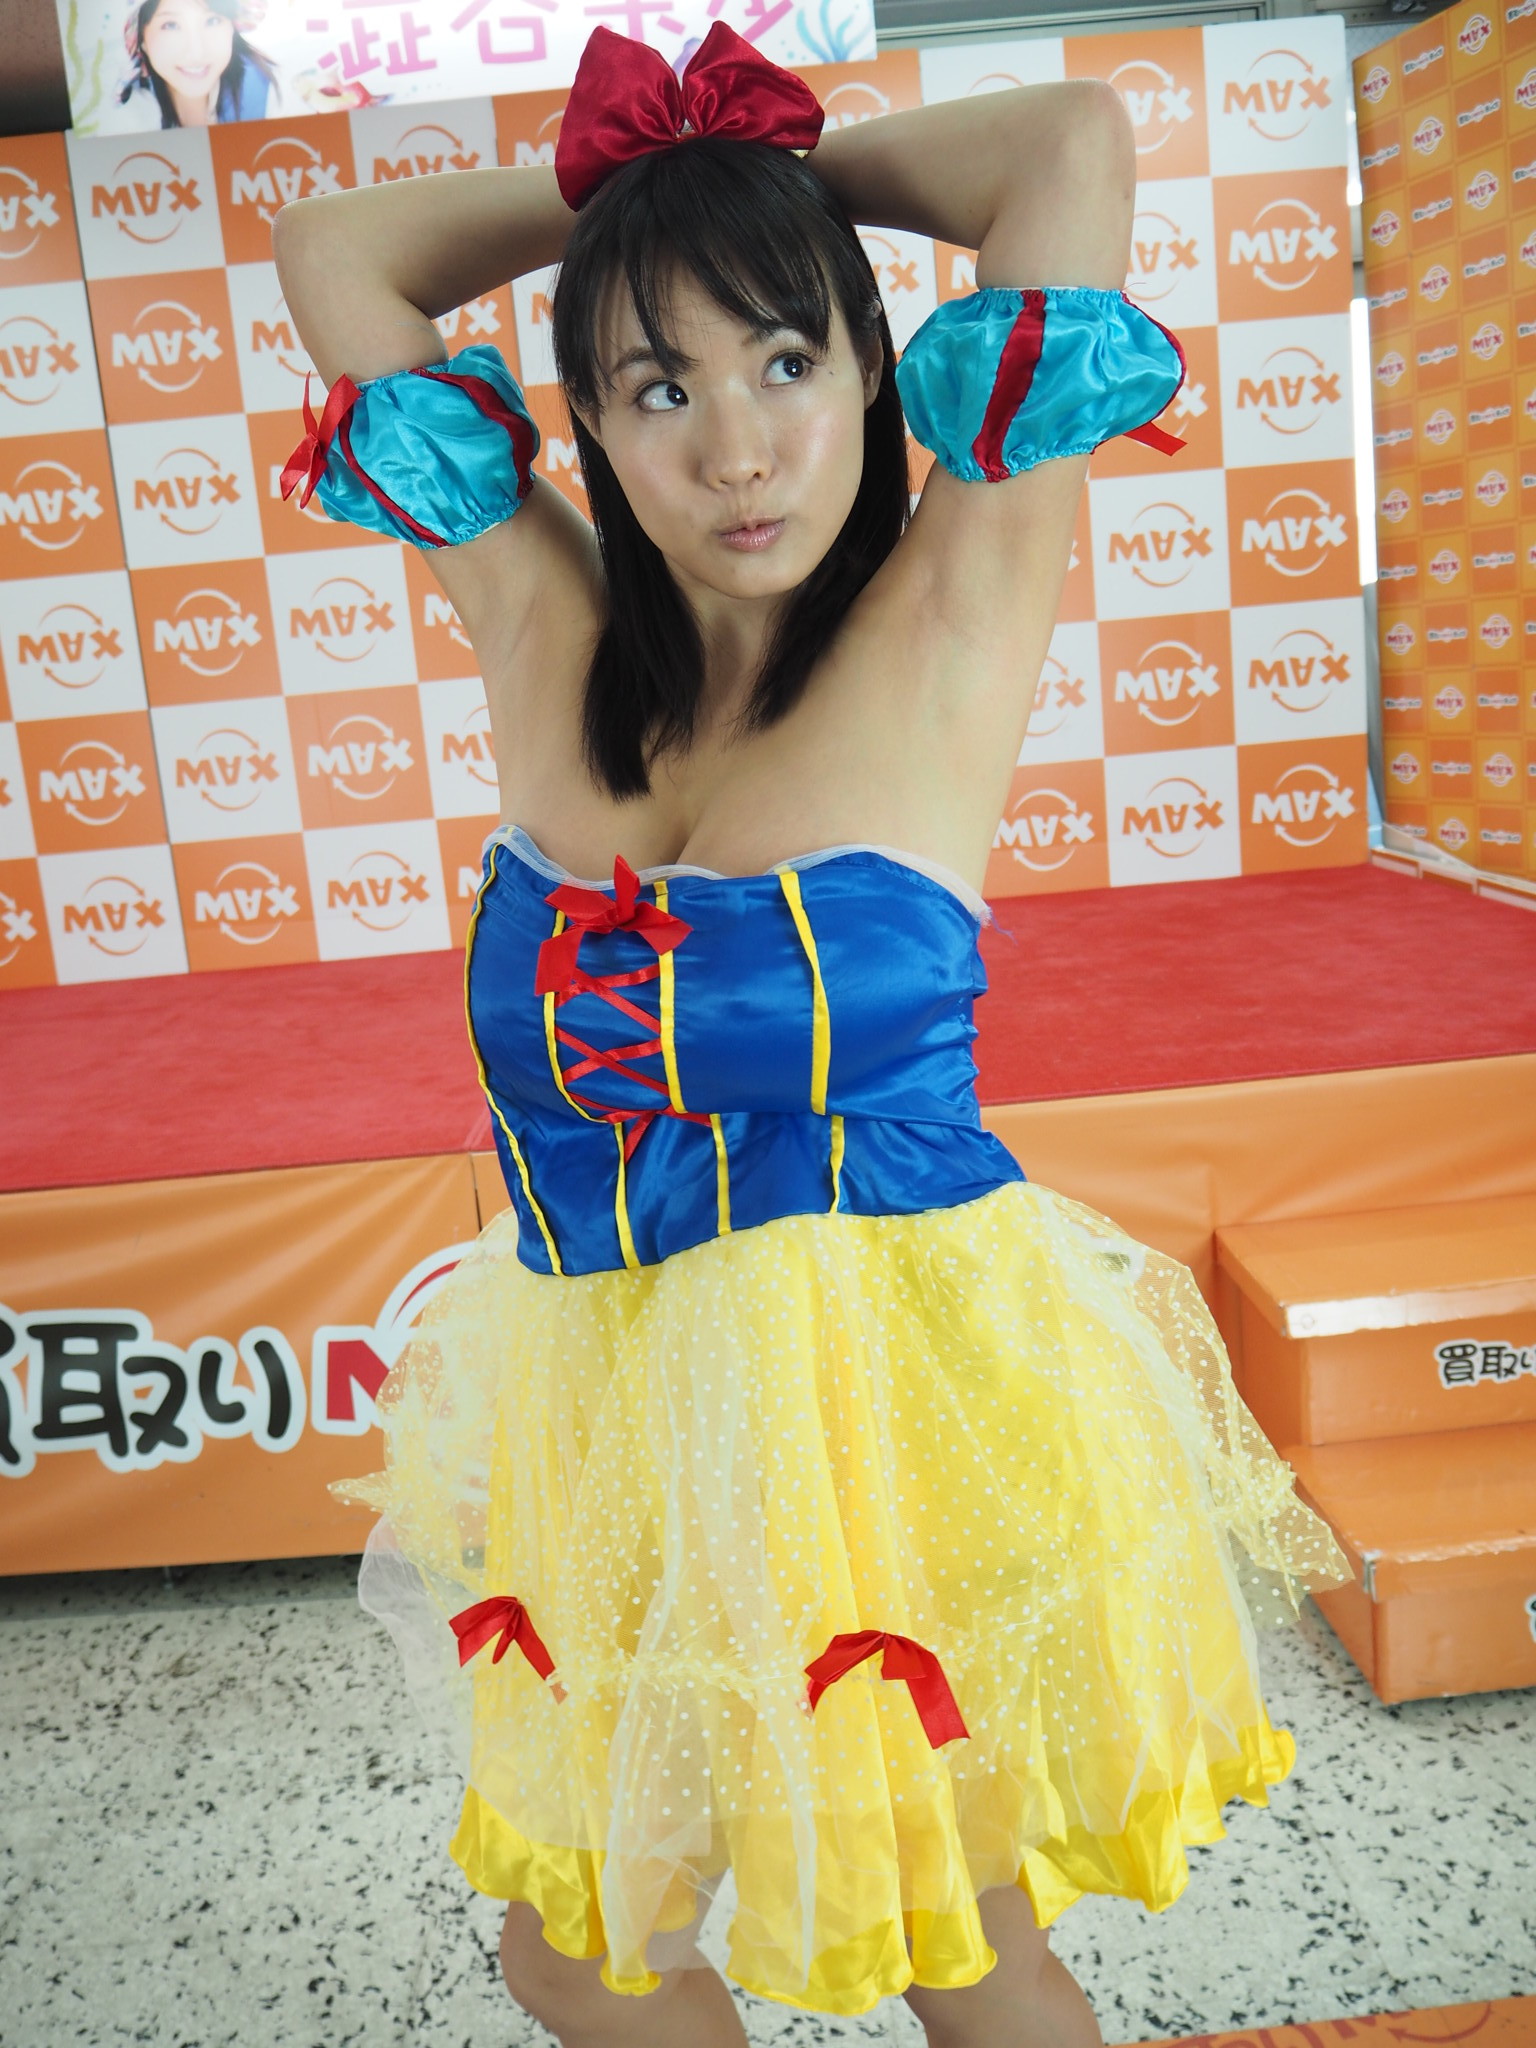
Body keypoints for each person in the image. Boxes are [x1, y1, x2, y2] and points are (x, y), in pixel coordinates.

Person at [274, 27, 1348, 2046]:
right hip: (615, 1426)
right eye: (658, 388)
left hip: (892, 1419)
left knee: (960, 1945)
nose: (738, 451)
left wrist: (755, 194)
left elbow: (1069, 139)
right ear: (592, 426)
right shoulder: (540, 624)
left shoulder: (955, 603)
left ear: (871, 364)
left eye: (784, 360)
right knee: (578, 1949)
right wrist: (642, 209)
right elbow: (337, 246)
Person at [118, 0, 276, 128]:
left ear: (232, 28)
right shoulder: (124, 113)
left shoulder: (268, 92)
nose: (196, 52)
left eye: (212, 21)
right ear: (141, 38)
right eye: (171, 25)